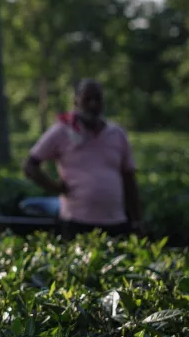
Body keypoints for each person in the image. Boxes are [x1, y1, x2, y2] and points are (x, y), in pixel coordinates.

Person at [22, 78, 144, 238]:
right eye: (87, 99)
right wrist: (56, 188)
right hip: (77, 222)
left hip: (116, 222)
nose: (93, 104)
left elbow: (128, 178)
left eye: (97, 99)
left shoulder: (117, 134)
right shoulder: (62, 132)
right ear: (76, 101)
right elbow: (30, 166)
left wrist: (137, 219)